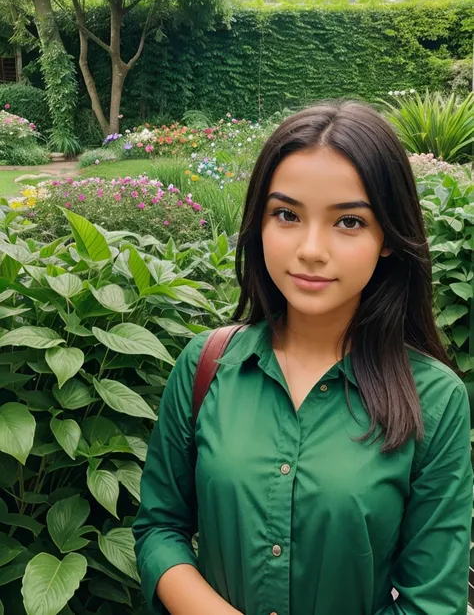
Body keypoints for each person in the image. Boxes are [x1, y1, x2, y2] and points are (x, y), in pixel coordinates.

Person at [133, 101, 472, 615]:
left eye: (350, 222)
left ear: (388, 238)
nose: (312, 249)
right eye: (287, 215)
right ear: (259, 222)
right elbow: (161, 528)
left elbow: (432, 602)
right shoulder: (206, 366)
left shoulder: (434, 400)